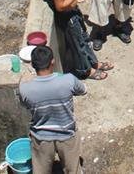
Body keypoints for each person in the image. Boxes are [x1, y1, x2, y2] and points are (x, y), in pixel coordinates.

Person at [18, 45, 87, 174]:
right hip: (67, 134)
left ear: (33, 64)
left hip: (41, 137)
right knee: (74, 170)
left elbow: (25, 105)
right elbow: (83, 90)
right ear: (53, 62)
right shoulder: (68, 80)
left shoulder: (24, 89)